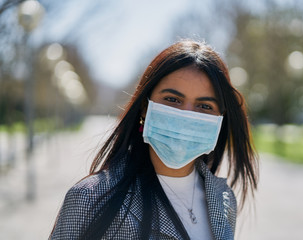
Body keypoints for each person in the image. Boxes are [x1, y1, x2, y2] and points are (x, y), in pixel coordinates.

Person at [50, 39, 258, 240]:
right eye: (172, 100)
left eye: (204, 106)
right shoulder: (90, 199)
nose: (185, 115)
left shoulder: (224, 199)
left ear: (220, 120)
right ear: (145, 107)